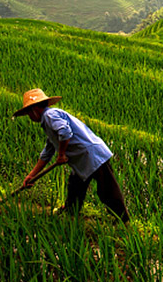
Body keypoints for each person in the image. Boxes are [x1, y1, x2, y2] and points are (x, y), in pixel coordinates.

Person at [12, 88, 130, 222]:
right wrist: (31, 175)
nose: (30, 117)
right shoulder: (48, 122)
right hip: (82, 158)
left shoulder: (49, 115)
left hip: (92, 155)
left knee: (107, 189)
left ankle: (123, 221)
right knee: (75, 185)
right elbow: (47, 153)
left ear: (34, 109)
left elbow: (65, 131)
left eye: (28, 113)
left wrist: (61, 154)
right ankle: (70, 211)